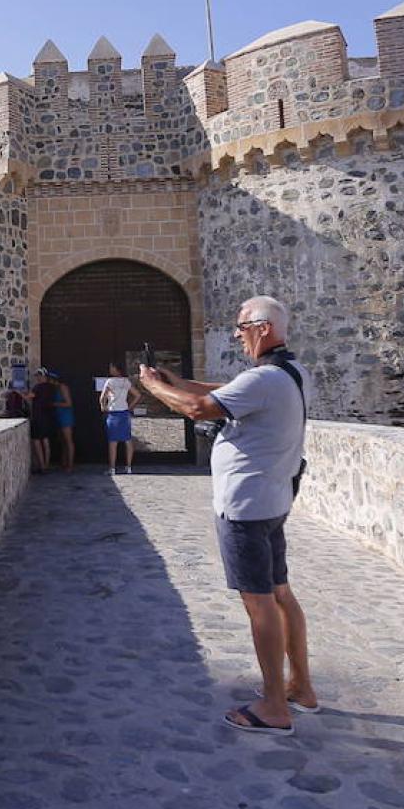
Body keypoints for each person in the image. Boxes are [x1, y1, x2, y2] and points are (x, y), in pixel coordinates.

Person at [138, 295, 317, 734]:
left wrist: (154, 387)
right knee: (280, 594)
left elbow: (200, 409)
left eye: (241, 326)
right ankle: (301, 687)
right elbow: (221, 394)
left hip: (245, 507)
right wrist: (179, 380)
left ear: (263, 328)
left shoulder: (266, 380)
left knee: (259, 605)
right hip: (273, 501)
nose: (236, 335)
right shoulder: (290, 374)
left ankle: (275, 705)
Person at [100, 362, 134, 474]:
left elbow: (102, 397)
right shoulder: (126, 381)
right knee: (127, 440)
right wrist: (130, 406)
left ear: (115, 369)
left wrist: (103, 407)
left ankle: (112, 468)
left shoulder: (110, 381)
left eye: (111, 368)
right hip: (124, 412)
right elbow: (138, 395)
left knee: (113, 442)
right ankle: (128, 467)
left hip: (113, 412)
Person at [42, 367, 76, 472]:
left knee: (68, 441)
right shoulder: (54, 389)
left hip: (65, 416)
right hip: (59, 416)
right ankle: (64, 463)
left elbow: (68, 403)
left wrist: (54, 404)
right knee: (62, 441)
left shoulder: (62, 387)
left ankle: (70, 465)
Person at [27, 368, 58, 473]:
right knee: (46, 441)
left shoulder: (37, 387)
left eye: (39, 375)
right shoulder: (52, 388)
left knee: (37, 441)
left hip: (38, 417)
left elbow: (29, 397)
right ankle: (46, 464)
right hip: (48, 417)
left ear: (43, 376)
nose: (37, 377)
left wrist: (18, 392)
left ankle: (42, 466)